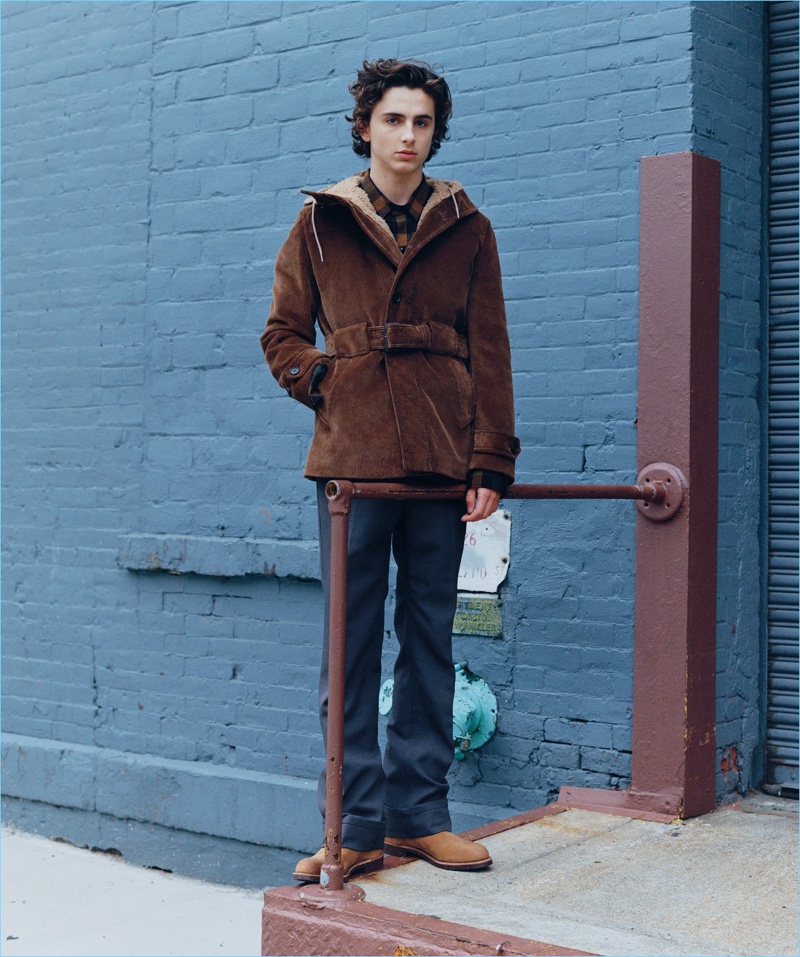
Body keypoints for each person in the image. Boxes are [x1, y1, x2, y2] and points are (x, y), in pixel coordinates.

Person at [261, 58, 519, 883]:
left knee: (430, 641)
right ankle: (351, 825)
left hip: (443, 465)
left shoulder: (466, 225)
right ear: (365, 125)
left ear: (434, 134)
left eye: (423, 124)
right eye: (395, 120)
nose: (409, 136)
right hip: (351, 468)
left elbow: (492, 351)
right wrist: (334, 384)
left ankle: (420, 817)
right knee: (351, 648)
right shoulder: (319, 223)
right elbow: (281, 335)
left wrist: (491, 462)